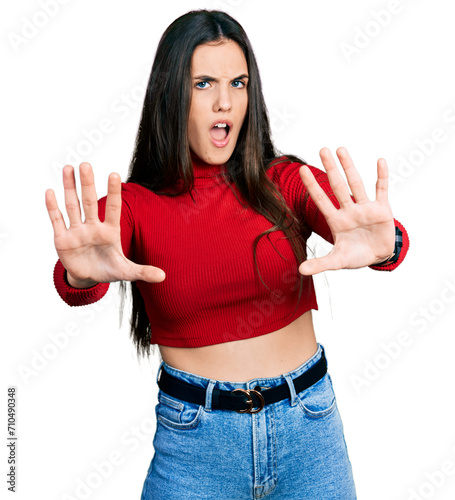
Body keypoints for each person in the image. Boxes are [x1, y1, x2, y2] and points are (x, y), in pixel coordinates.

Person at [45, 9, 409, 500]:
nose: (225, 102)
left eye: (238, 83)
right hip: (195, 446)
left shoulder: (284, 182)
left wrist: (388, 247)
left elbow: (381, 237)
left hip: (310, 429)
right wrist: (80, 277)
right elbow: (74, 283)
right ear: (171, 95)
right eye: (203, 84)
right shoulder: (133, 205)